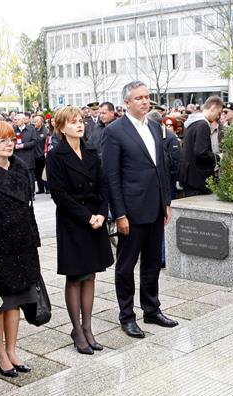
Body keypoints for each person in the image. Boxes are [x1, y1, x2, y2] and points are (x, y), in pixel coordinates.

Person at [102, 81, 177, 340]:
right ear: (126, 103)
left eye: (147, 97)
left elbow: (162, 168)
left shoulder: (156, 127)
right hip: (131, 213)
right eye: (138, 98)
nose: (144, 102)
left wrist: (166, 202)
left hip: (155, 208)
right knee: (126, 266)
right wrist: (119, 214)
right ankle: (127, 316)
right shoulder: (114, 131)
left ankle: (151, 309)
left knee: (152, 263)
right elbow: (111, 176)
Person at [47, 106, 114, 354]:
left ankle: (88, 327)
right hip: (73, 222)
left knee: (91, 275)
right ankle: (77, 329)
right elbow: (59, 195)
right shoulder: (55, 156)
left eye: (81, 121)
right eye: (73, 122)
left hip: (94, 220)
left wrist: (100, 213)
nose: (79, 125)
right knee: (76, 276)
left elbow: (103, 186)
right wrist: (87, 216)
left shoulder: (91, 152)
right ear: (62, 128)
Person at [0, 120, 41, 377]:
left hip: (22, 243)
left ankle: (12, 350)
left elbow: (29, 207)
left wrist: (33, 238)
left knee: (16, 302)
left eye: (10, 138)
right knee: (1, 303)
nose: (9, 143)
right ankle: (0, 354)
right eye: (1, 140)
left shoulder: (21, 167)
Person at [178, 96, 224, 197]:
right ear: (212, 108)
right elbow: (201, 153)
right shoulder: (203, 124)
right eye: (219, 113)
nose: (219, 117)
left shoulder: (192, 122)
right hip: (197, 180)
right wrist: (219, 157)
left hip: (190, 177)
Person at [12, 113, 38, 193]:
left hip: (28, 157)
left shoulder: (31, 129)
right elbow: (9, 141)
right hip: (17, 157)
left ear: (23, 120)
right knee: (19, 176)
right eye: (15, 119)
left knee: (30, 177)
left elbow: (34, 142)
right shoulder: (12, 130)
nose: (16, 121)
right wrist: (14, 146)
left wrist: (23, 145)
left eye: (18, 119)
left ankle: (31, 193)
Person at [32, 115, 49, 194]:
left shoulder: (45, 130)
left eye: (36, 121)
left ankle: (48, 188)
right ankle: (40, 188)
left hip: (42, 155)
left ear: (41, 122)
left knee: (45, 172)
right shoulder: (33, 130)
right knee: (37, 173)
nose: (34, 123)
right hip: (35, 155)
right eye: (34, 121)